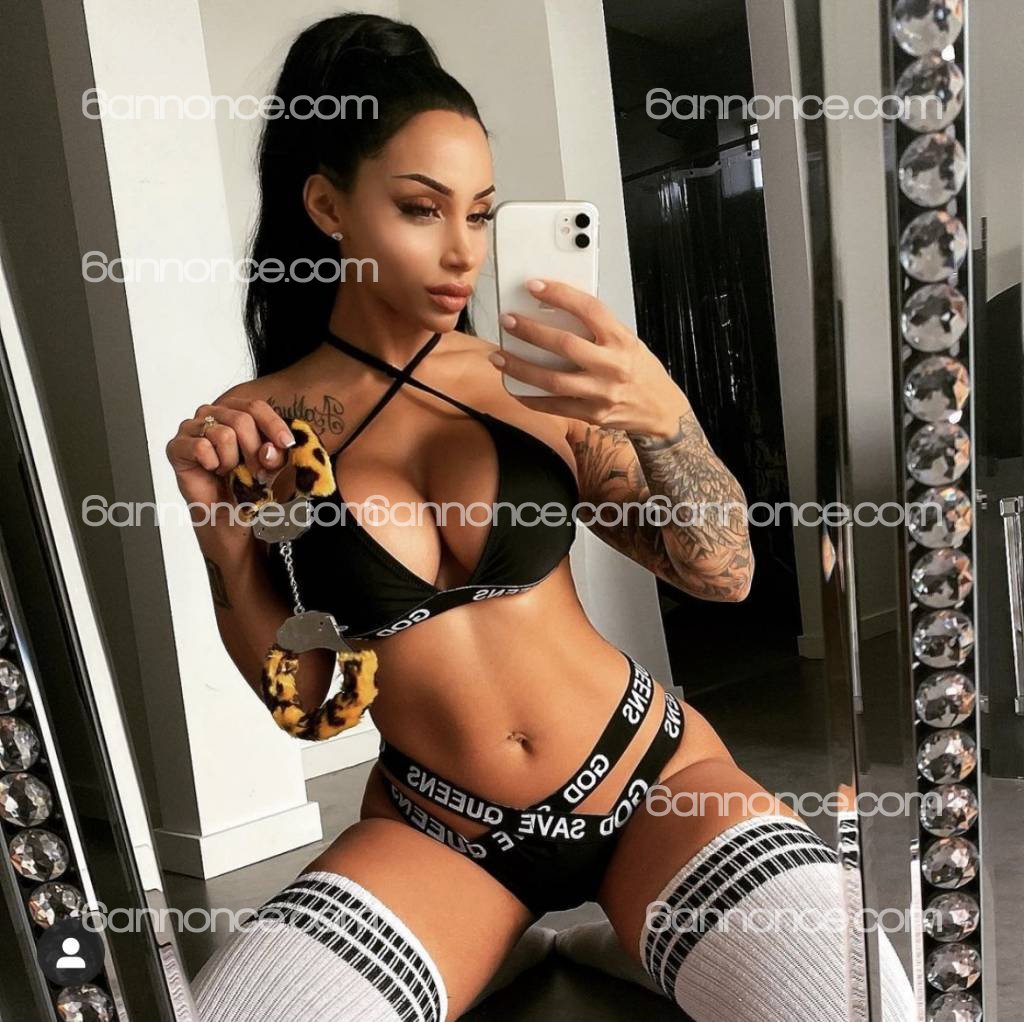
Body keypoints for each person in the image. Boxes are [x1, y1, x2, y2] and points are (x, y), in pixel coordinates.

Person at [165, 12, 915, 1022]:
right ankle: (504, 942)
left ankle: (624, 936)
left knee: (867, 1009)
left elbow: (723, 573)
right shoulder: (267, 427)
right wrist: (225, 554)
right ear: (327, 205)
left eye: (480, 214)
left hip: (649, 781)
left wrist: (662, 414)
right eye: (421, 209)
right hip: (437, 834)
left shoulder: (534, 382)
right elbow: (311, 703)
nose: (462, 252)